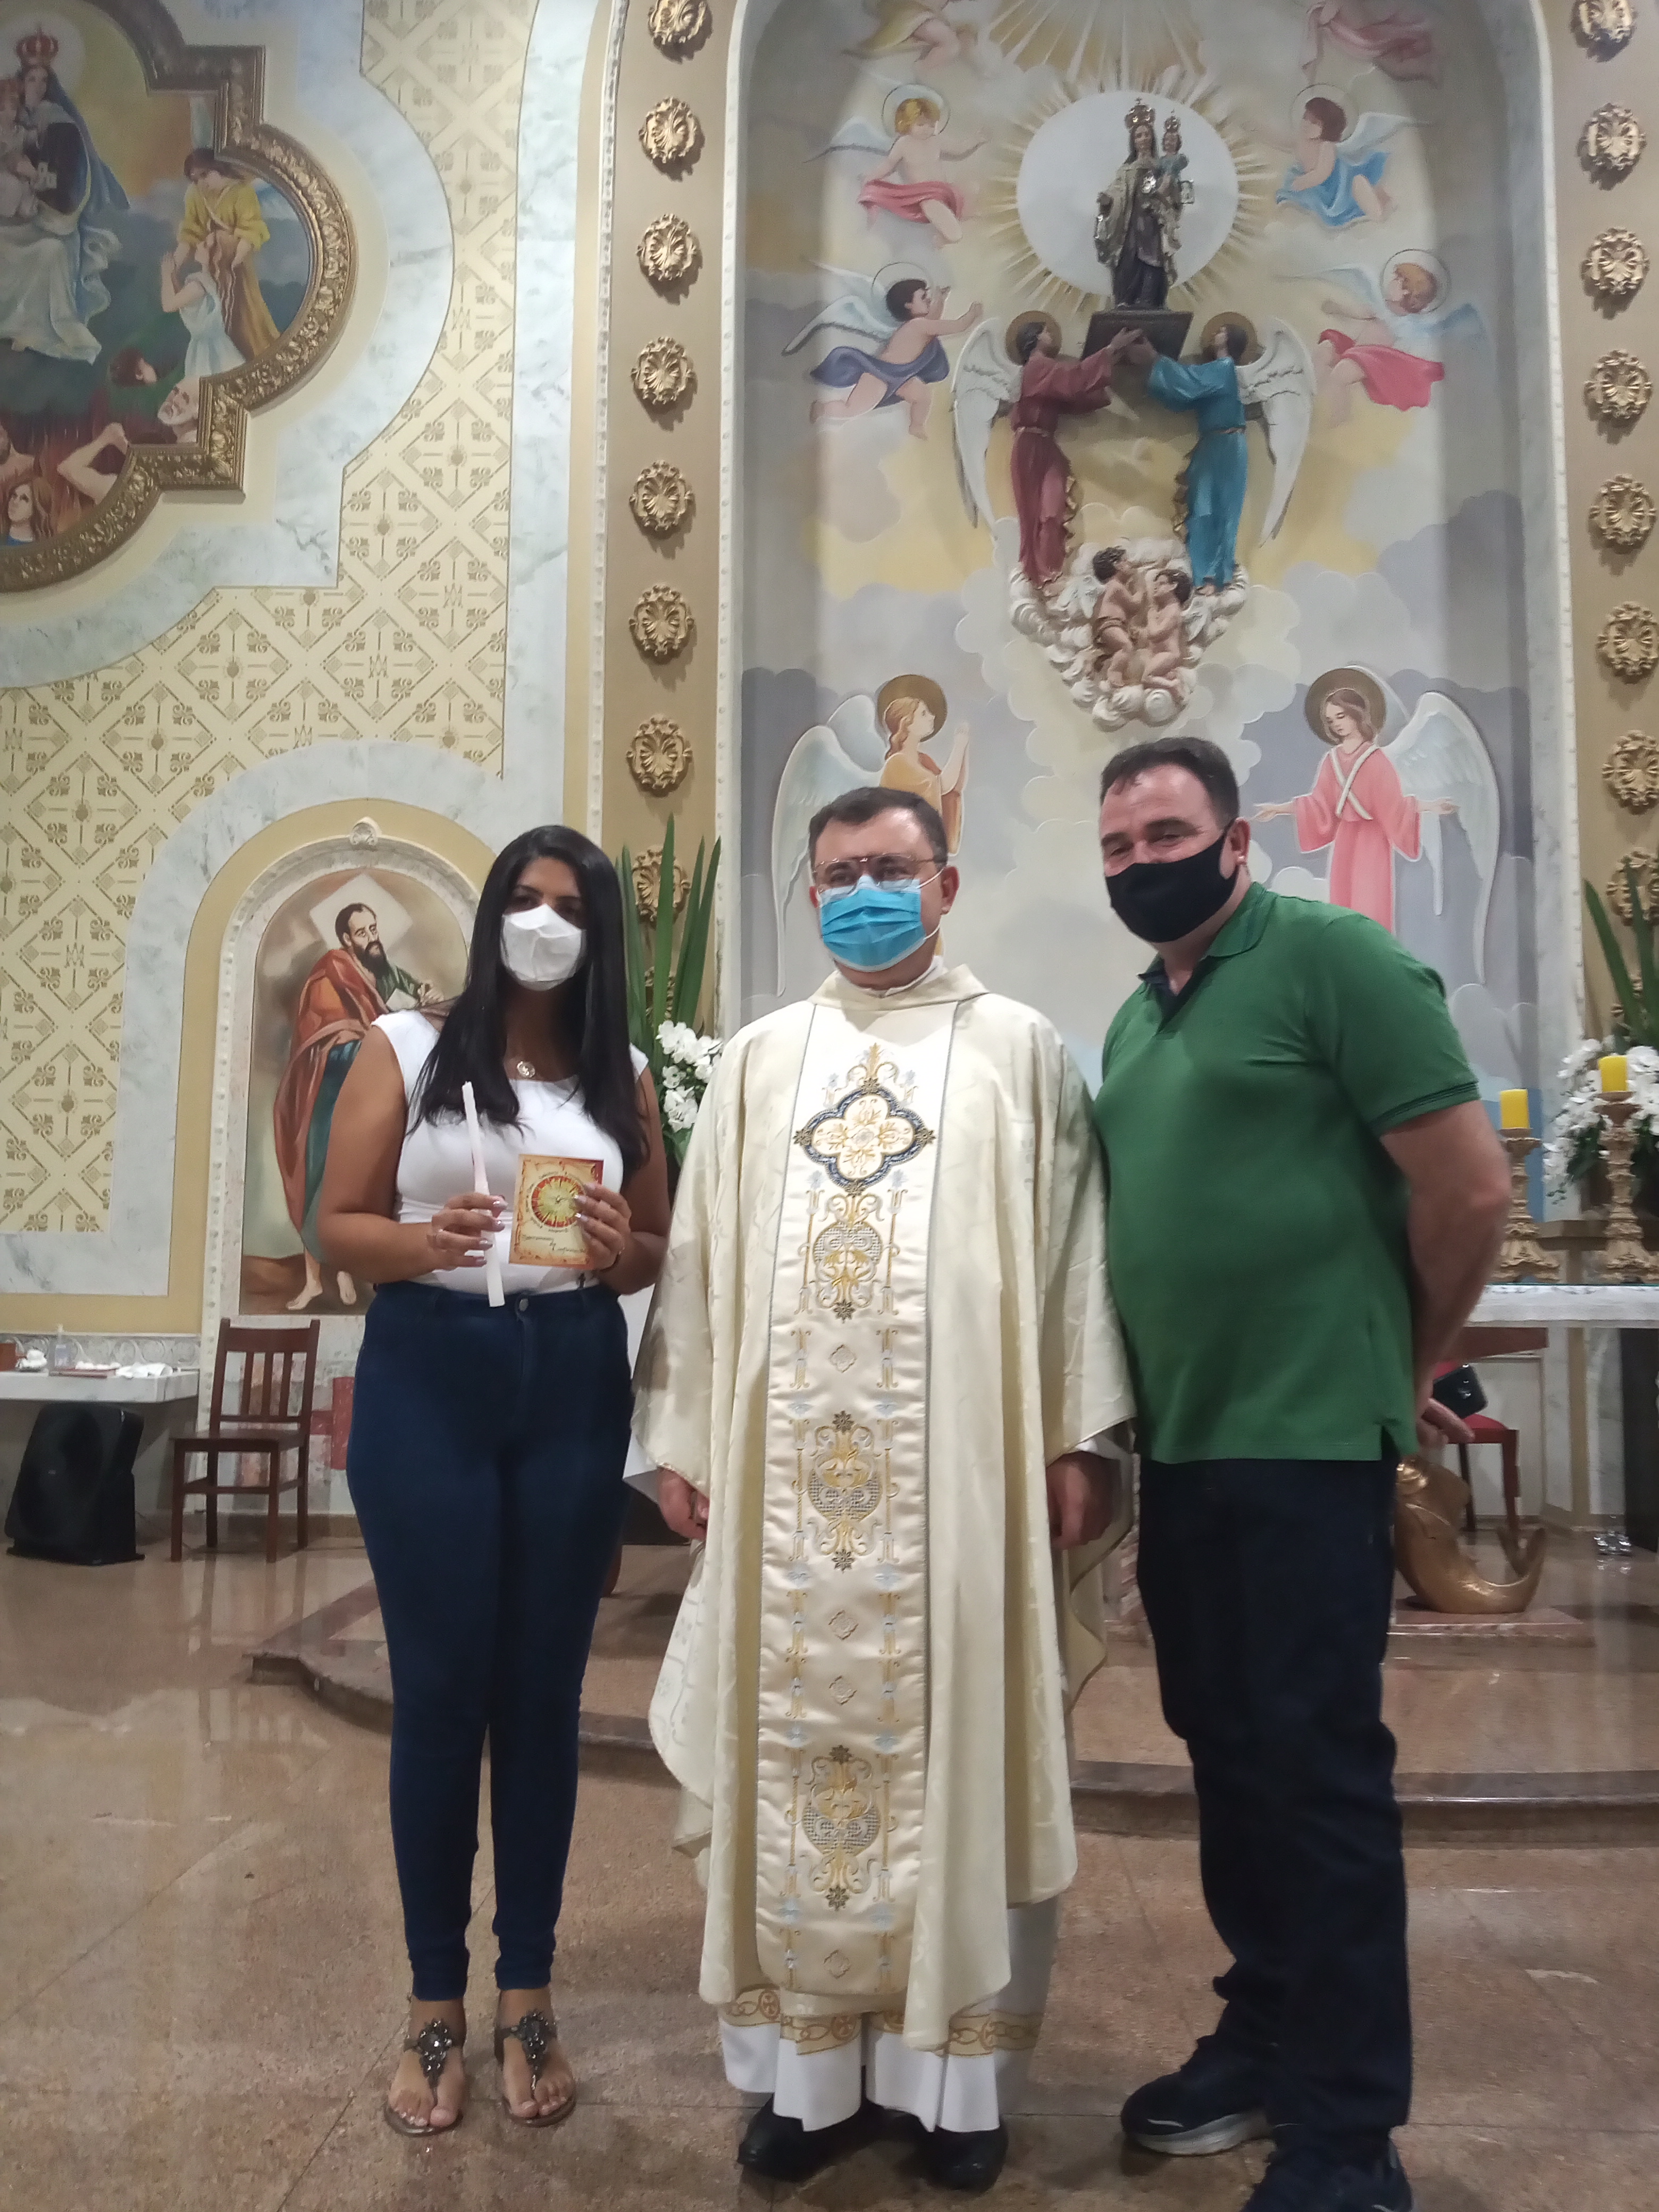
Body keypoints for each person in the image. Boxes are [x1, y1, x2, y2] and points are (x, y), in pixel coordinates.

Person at [635, 786, 1132, 2194]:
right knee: (784, 1768)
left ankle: (958, 2093)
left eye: (890, 868)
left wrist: (1079, 1440)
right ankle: (809, 2088)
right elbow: (702, 1263)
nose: (863, 891)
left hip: (964, 1493)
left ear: (945, 883)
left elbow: (1075, 1258)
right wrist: (682, 1441)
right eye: (839, 872)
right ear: (812, 894)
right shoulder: (760, 1058)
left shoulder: (1019, 1050)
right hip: (777, 1493)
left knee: (963, 1760)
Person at [1092, 737, 1510, 2212]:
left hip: (1307, 1442)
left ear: (1236, 837)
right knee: (1228, 1760)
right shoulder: (1139, 1016)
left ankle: (1345, 2131)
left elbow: (1469, 1186)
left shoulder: (1336, 959)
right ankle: (1264, 2030)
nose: (1141, 862)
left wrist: (1406, 1356)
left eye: (1166, 833)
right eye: (1118, 845)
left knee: (1317, 1777)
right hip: (1188, 1447)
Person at [317, 826, 670, 2137]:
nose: (543, 922)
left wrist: (617, 1244)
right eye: (523, 898)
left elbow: (654, 1246)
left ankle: (527, 1988)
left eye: (569, 905)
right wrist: (423, 1244)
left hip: (569, 1376)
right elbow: (333, 1222)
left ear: (599, 932)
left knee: (540, 1701)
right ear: (490, 914)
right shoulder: (405, 1047)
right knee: (439, 1697)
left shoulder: (623, 1074)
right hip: (431, 1371)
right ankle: (432, 2001)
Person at [274, 901, 438, 1313]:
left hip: (369, 1103)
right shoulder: (330, 974)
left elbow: (418, 999)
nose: (372, 938)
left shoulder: (383, 970)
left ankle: (346, 1270)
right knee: (318, 1184)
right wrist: (379, 1044)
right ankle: (314, 1281)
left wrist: (428, 998)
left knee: (366, 1190)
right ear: (346, 939)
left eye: (374, 928)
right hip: (326, 1097)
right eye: (363, 933)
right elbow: (327, 1040)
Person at [1255, 679, 1455, 933]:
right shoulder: (1331, 761)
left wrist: (1430, 806)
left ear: (1357, 714)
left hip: (1372, 843)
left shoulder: (1377, 760)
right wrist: (1278, 809)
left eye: (1341, 716)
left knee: (1370, 905)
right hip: (1345, 841)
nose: (1336, 724)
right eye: (1331, 720)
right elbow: (1318, 804)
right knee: (1343, 908)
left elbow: (1394, 806)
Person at [0, 32, 127, 362]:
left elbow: (65, 186)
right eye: (31, 80)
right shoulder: (14, 124)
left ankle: (34, 328)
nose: (38, 87)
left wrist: (32, 178)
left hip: (50, 221)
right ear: (20, 84)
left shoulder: (60, 124)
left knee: (51, 253)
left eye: (44, 81)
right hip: (14, 218)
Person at [1125, 321, 1250, 594]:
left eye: (1222, 331)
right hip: (1211, 445)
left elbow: (1190, 382)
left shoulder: (1225, 367)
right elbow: (1182, 396)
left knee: (1223, 511)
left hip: (1229, 446)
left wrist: (1155, 359)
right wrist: (1151, 367)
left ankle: (1218, 577)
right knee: (1201, 508)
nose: (1216, 332)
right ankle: (1202, 575)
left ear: (1231, 340)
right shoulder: (1215, 371)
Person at [1008, 317, 1135, 585]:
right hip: (1029, 447)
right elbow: (1072, 380)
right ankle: (1037, 574)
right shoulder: (1038, 366)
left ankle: (1052, 572)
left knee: (1052, 512)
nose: (1050, 335)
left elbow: (1073, 396)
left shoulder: (1046, 369)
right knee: (1033, 516)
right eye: (1045, 331)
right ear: (1034, 337)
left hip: (1047, 447)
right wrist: (1110, 350)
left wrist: (1108, 367)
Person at [809, 277, 981, 438]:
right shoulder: (917, 326)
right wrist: (972, 314)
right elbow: (956, 326)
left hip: (902, 376)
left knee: (922, 396)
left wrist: (941, 300)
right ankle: (822, 408)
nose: (928, 299)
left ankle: (916, 425)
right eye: (923, 297)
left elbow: (934, 320)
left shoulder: (921, 324)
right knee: (852, 409)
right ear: (909, 305)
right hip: (880, 375)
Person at [178, 149, 282, 362]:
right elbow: (190, 233)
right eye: (195, 179)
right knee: (217, 318)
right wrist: (176, 264)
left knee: (246, 315)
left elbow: (250, 231)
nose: (201, 183)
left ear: (218, 167)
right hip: (210, 264)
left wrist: (232, 265)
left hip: (236, 266)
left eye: (205, 175)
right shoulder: (195, 195)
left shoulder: (242, 193)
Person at [1095, 102, 1178, 308]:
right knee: (1128, 259)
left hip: (1153, 222)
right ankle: (1126, 300)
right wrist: (1107, 202)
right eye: (1139, 136)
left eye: (1147, 134)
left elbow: (1173, 198)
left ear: (1153, 138)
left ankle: (1149, 300)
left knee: (1153, 259)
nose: (1143, 139)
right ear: (1134, 141)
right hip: (1131, 223)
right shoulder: (1127, 170)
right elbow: (1116, 192)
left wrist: (1168, 193)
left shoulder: (1162, 166)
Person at [160, 241, 246, 381]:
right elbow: (185, 300)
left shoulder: (198, 285)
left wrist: (165, 274)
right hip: (219, 346)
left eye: (205, 245)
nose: (198, 245)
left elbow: (168, 306)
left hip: (206, 351)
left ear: (214, 256)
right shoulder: (210, 281)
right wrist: (173, 275)